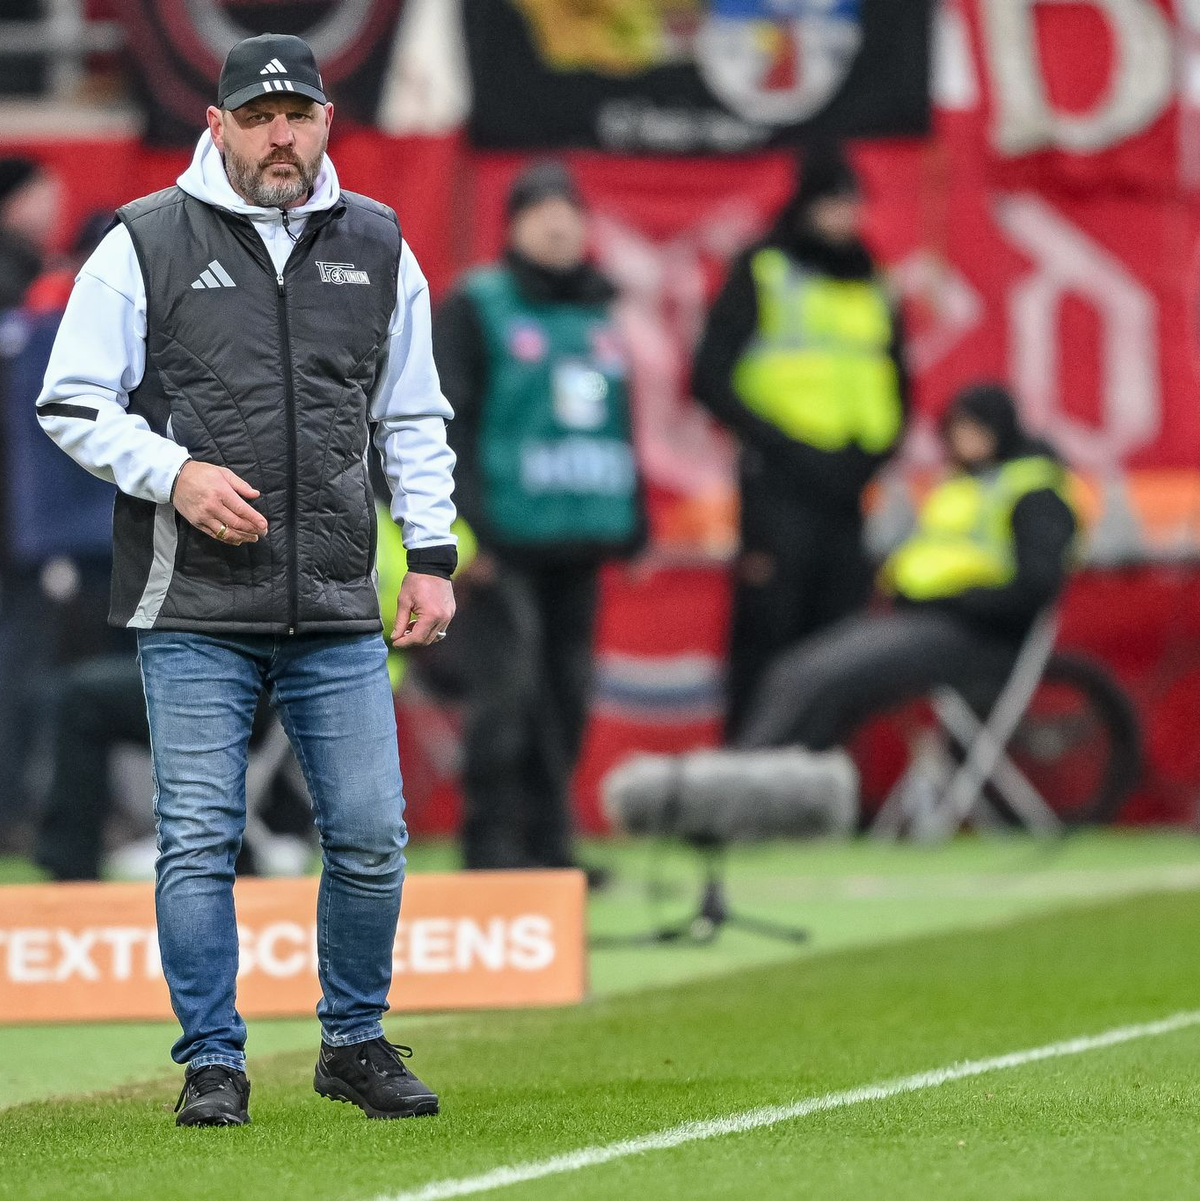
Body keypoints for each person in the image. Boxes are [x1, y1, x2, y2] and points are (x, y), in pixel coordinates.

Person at [37, 33, 455, 1127]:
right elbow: (71, 400)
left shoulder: (379, 242)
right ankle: (213, 1061)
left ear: (328, 123)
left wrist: (435, 554)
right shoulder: (142, 240)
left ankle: (353, 1042)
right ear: (215, 124)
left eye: (299, 115)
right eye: (258, 115)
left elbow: (412, 413)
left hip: (334, 597)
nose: (281, 135)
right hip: (193, 599)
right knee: (198, 837)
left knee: (369, 832)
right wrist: (175, 474)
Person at [434, 162, 643, 875]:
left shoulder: (598, 311)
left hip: (579, 534)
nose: (559, 225)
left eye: (570, 211)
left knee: (565, 695)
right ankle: (490, 847)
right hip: (504, 537)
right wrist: (469, 525)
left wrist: (633, 519)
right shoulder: (477, 305)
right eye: (542, 211)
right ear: (513, 225)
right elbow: (445, 420)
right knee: (508, 693)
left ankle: (551, 845)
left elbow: (617, 422)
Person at [692, 143, 909, 741]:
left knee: (841, 637)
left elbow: (895, 378)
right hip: (778, 484)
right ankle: (750, 778)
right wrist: (784, 446)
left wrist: (871, 456)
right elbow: (710, 377)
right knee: (768, 628)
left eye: (852, 203)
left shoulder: (872, 278)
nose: (845, 217)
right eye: (833, 203)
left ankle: (827, 777)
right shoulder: (764, 268)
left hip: (848, 487)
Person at [736, 383, 1077, 753]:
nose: (963, 441)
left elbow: (1036, 586)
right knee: (794, 670)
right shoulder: (964, 486)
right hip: (924, 623)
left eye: (975, 429)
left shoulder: (1033, 492)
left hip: (980, 635)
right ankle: (753, 776)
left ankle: (778, 783)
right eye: (957, 429)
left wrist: (953, 601)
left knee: (832, 679)